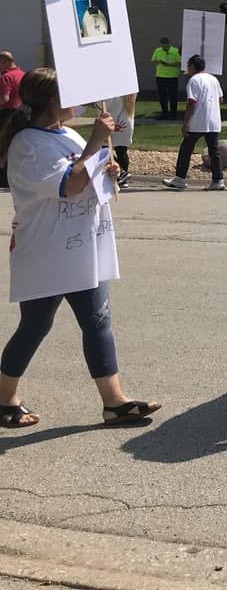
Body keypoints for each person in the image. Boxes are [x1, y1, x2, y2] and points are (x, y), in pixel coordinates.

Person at [0, 68, 160, 428]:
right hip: (47, 251)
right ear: (53, 102)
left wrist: (109, 169)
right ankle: (4, 397)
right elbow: (68, 185)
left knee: (97, 320)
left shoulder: (68, 133)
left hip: (83, 246)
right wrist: (94, 143)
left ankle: (114, 402)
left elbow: (87, 175)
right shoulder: (28, 144)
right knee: (36, 325)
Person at [162, 55, 224, 191]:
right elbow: (220, 99)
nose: (187, 68)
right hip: (213, 121)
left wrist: (185, 123)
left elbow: (192, 102)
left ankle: (180, 178)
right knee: (214, 151)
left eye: (188, 65)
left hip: (197, 121)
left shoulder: (194, 81)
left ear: (192, 66)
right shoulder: (213, 79)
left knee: (186, 149)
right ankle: (218, 179)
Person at [0, 51, 24, 191]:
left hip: (6, 114)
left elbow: (4, 98)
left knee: (3, 147)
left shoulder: (6, 77)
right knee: (17, 145)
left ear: (4, 62)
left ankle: (3, 180)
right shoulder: (22, 74)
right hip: (22, 113)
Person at [102, 93, 137, 188]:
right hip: (125, 123)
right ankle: (123, 175)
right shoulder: (129, 94)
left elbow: (104, 105)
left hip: (113, 122)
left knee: (102, 150)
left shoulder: (114, 94)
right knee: (121, 151)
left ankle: (122, 172)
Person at [150, 37, 183, 120]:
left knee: (173, 96)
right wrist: (159, 62)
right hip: (160, 76)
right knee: (162, 96)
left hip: (172, 76)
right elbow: (154, 60)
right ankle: (164, 113)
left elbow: (180, 63)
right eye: (162, 45)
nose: (163, 47)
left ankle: (173, 114)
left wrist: (169, 64)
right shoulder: (158, 50)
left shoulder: (175, 51)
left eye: (165, 45)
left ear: (168, 43)